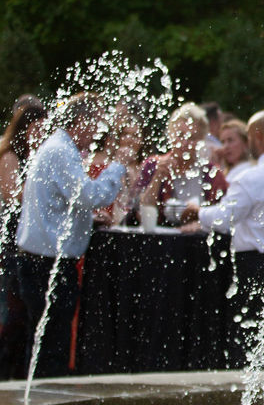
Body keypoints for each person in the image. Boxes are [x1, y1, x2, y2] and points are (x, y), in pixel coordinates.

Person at [183, 110, 264, 367]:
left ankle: (246, 399)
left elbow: (225, 218)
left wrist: (198, 210)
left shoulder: (250, 178)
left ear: (257, 136)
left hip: (253, 266)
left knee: (249, 337)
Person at [15, 93, 129, 378]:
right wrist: (117, 166)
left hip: (40, 259)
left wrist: (85, 218)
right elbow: (90, 195)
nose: (99, 132)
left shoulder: (56, 147)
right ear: (81, 122)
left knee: (43, 338)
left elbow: (61, 202)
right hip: (48, 263)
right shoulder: (61, 151)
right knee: (51, 341)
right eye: (97, 124)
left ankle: (40, 402)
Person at [0, 96, 46, 379]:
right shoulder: (9, 156)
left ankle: (18, 370)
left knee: (25, 310)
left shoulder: (36, 156)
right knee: (11, 308)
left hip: (27, 237)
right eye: (37, 128)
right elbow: (12, 195)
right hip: (10, 239)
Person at [138, 103, 227, 222]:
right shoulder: (153, 165)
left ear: (201, 140)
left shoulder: (211, 173)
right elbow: (140, 213)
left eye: (191, 138)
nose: (184, 143)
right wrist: (157, 177)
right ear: (170, 134)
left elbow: (223, 215)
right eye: (180, 135)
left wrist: (202, 223)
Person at [218, 118, 254, 183]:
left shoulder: (251, 170)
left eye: (230, 140)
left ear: (245, 143)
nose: (226, 146)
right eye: (223, 142)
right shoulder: (225, 173)